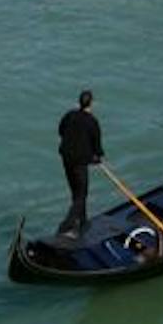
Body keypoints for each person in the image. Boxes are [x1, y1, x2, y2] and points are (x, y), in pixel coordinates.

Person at [57, 90, 103, 237]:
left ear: (79, 103)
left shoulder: (69, 115)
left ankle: (82, 222)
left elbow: (61, 130)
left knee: (75, 192)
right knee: (81, 194)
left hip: (66, 157)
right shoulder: (92, 121)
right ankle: (66, 225)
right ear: (91, 104)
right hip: (79, 162)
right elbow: (97, 145)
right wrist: (97, 157)